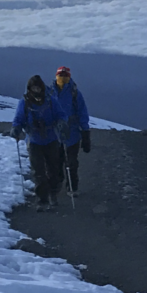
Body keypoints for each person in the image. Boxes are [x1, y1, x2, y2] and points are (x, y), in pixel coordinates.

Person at [11, 75, 63, 210]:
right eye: (34, 87)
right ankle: (42, 200)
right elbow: (18, 119)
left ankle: (53, 193)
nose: (36, 90)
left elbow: (61, 114)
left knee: (53, 169)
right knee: (38, 171)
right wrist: (16, 128)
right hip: (34, 140)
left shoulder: (51, 101)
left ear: (42, 87)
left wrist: (62, 124)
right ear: (29, 88)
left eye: (38, 87)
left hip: (51, 139)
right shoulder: (25, 103)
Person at [50, 65, 91, 196]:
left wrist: (85, 133)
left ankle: (72, 187)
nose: (62, 78)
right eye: (60, 75)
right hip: (54, 135)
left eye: (65, 76)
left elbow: (82, 113)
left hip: (72, 134)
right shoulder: (49, 92)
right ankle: (57, 185)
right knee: (55, 162)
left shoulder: (75, 94)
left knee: (71, 162)